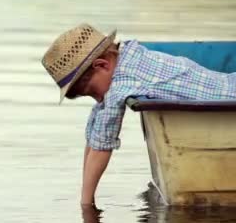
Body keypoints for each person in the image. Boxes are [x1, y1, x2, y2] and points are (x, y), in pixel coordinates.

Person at [41, 23, 236, 205]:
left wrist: (86, 202)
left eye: (92, 91)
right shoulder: (132, 54)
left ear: (102, 65)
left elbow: (101, 145)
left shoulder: (123, 84)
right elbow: (96, 130)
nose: (97, 100)